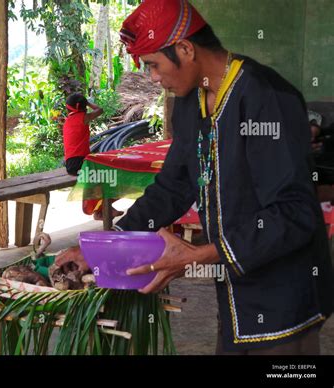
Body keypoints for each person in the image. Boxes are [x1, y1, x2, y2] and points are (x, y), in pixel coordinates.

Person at [56, 0, 333, 355]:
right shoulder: (192, 102)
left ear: (186, 49)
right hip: (234, 289)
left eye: (154, 65)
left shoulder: (267, 98)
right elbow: (174, 185)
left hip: (286, 295)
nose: (153, 78)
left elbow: (294, 213)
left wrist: (199, 255)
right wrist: (102, 249)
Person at [63, 93, 123, 220]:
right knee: (110, 174)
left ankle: (102, 209)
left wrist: (84, 103)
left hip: (71, 164)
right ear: (82, 107)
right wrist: (89, 103)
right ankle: (100, 210)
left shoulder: (68, 120)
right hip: (81, 163)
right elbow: (100, 110)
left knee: (104, 172)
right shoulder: (82, 117)